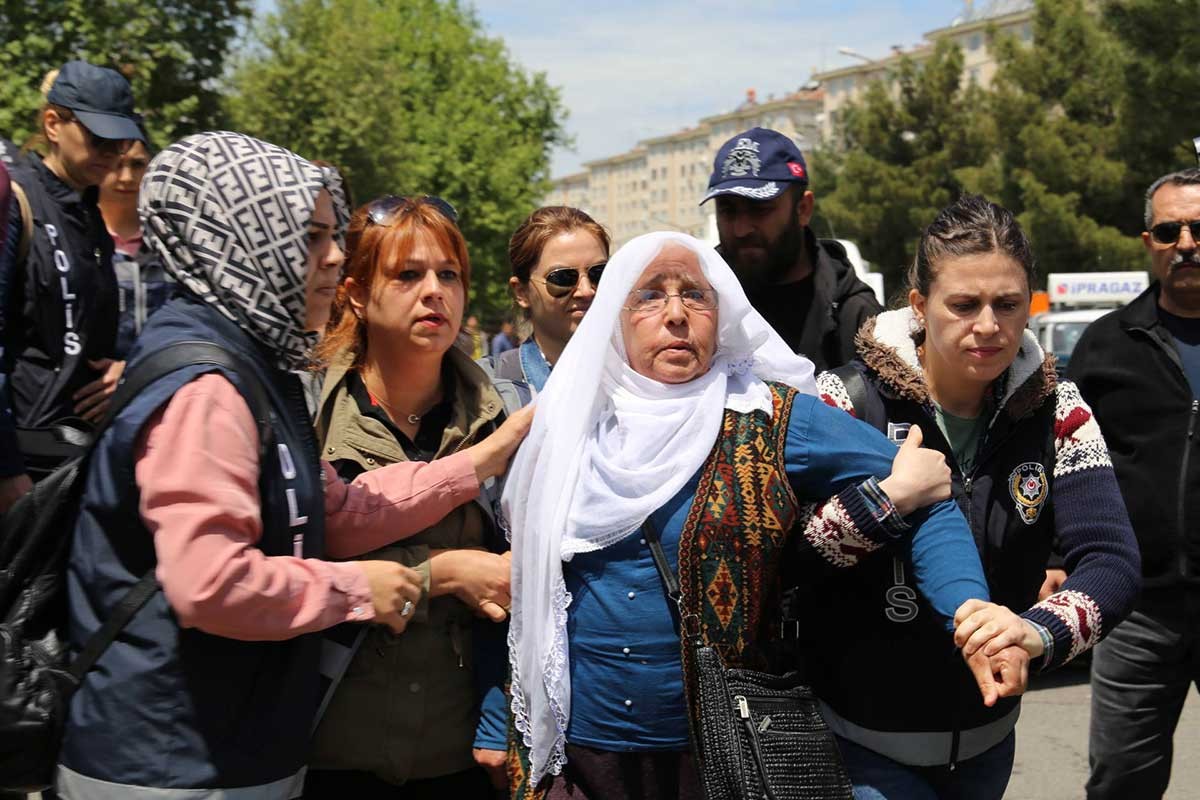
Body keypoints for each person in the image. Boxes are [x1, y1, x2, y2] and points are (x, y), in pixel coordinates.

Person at [56, 132, 532, 799]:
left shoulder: (253, 368)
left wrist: (478, 460)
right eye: (311, 237)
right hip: (170, 762)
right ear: (244, 239)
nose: (336, 259)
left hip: (232, 750)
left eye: (332, 236)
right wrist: (371, 588)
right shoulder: (208, 386)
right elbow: (211, 584)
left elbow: (336, 510)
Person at [502, 230, 1026, 800]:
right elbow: (527, 588)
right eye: (650, 295)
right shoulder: (575, 420)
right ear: (616, 317)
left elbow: (928, 492)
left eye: (696, 295)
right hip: (585, 755)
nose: (676, 315)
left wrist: (971, 616)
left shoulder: (769, 417)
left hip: (724, 756)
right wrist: (492, 715)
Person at [806, 195, 1141, 799]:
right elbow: (788, 552)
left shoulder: (1060, 411)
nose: (988, 325)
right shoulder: (844, 402)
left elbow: (1112, 561)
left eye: (1008, 305)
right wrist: (885, 504)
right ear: (919, 306)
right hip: (863, 745)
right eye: (963, 305)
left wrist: (1034, 634)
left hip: (989, 744)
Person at [305, 195, 520, 796]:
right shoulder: (305, 411)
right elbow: (283, 571)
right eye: (408, 274)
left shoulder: (506, 416)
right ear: (354, 292)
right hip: (326, 747)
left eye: (449, 274)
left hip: (457, 754)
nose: (435, 292)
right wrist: (440, 574)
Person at [1072, 167, 1200, 799]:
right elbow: (1065, 462)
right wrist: (1054, 556)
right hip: (1138, 606)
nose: (1186, 243)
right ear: (1147, 241)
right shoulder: (1106, 344)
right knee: (1122, 778)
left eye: (1199, 228)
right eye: (1169, 229)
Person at [0, 61, 146, 488]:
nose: (113, 153)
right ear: (52, 124)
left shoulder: (91, 217)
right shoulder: (16, 200)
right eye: (99, 137)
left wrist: (128, 365)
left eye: (121, 140)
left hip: (79, 456)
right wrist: (7, 472)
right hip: (25, 463)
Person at [701, 127, 881, 371]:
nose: (741, 229)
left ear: (803, 209)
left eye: (759, 208)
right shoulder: (700, 303)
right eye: (727, 210)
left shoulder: (856, 318)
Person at [492, 205, 609, 389]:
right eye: (563, 277)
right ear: (522, 292)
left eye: (599, 273)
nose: (587, 291)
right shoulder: (485, 390)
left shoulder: (646, 377)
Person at [97, 126, 174, 357]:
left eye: (138, 164)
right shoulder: (81, 238)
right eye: (117, 164)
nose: (127, 177)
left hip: (160, 375)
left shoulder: (168, 240)